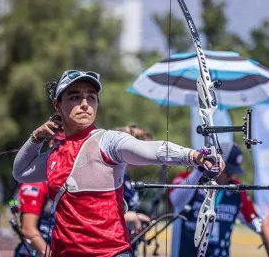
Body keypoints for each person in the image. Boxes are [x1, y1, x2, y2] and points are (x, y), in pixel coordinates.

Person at [12, 70, 225, 257]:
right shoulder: (54, 154)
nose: (85, 104)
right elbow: (20, 172)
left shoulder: (108, 140)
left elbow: (149, 149)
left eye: (91, 97)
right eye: (75, 97)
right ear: (57, 105)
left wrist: (194, 155)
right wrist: (36, 138)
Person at [169, 142, 261, 257]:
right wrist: (199, 169)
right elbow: (176, 201)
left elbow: (255, 222)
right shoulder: (186, 178)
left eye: (232, 173)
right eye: (227, 171)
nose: (230, 177)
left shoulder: (237, 189)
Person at [14, 133, 64, 257]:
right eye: (62, 143)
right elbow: (28, 229)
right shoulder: (36, 183)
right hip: (36, 251)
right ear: (52, 144)